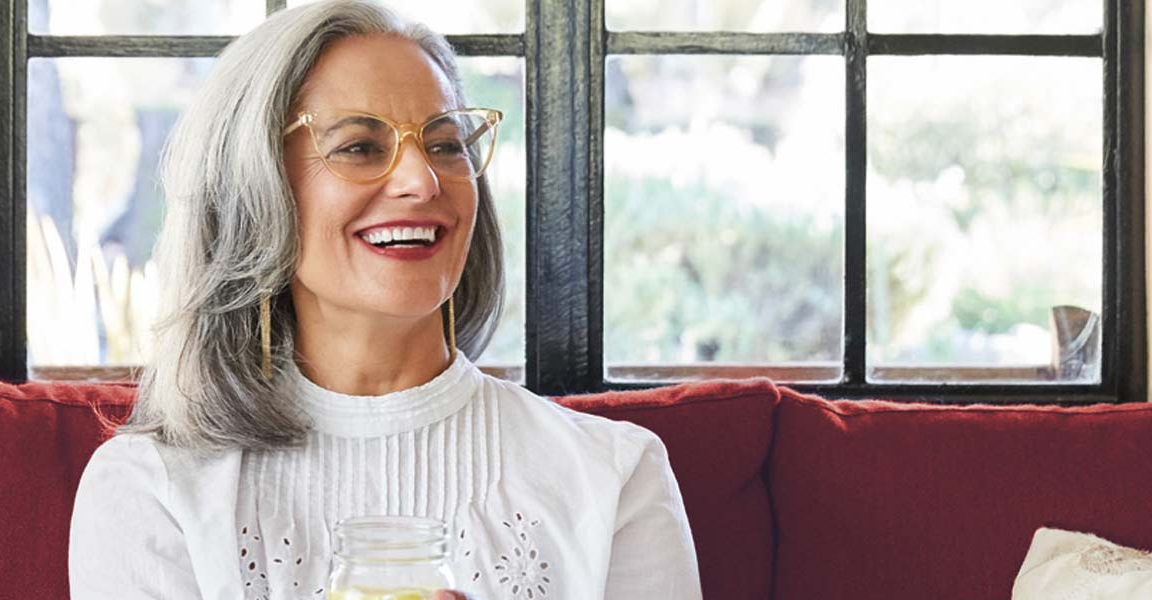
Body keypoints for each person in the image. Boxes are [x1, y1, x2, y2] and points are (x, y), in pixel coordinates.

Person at [67, 1, 702, 598]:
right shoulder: (150, 488)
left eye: (446, 144)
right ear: (255, 191)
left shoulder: (616, 476)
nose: (422, 180)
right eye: (359, 147)